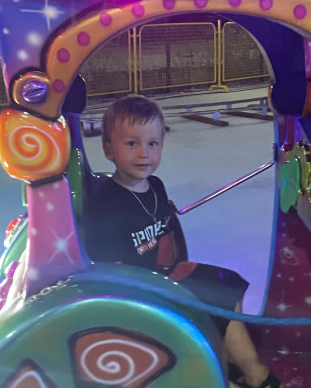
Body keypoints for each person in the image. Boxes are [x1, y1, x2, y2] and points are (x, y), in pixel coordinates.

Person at [84, 95, 283, 388]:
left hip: (166, 274)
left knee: (227, 283)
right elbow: (105, 267)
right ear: (108, 149)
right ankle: (252, 372)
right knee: (214, 294)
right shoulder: (107, 203)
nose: (144, 153)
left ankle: (233, 363)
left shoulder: (156, 186)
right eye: (132, 143)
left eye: (153, 144)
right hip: (140, 289)